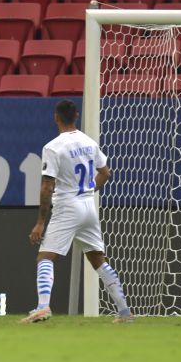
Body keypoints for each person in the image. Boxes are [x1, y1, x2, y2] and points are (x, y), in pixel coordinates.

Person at [21, 99, 132, 324]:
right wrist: (91, 189)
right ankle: (124, 311)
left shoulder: (53, 147)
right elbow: (105, 172)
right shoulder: (89, 142)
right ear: (77, 116)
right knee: (98, 260)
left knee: (45, 256)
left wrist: (40, 222)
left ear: (56, 117)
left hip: (68, 206)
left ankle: (43, 307)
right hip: (88, 205)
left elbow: (46, 187)